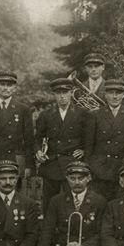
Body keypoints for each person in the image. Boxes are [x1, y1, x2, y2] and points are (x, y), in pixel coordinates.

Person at [34, 77, 90, 205]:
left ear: (71, 92)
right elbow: (37, 138)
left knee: (72, 203)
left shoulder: (83, 113)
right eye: (58, 93)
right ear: (54, 94)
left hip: (73, 164)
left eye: (65, 92)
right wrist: (38, 151)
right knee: (49, 203)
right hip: (51, 164)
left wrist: (83, 150)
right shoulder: (46, 115)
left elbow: (89, 138)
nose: (62, 96)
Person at [87, 79, 124, 200]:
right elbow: (89, 144)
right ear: (105, 95)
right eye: (111, 93)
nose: (115, 96)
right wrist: (89, 167)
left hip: (121, 168)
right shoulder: (94, 115)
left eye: (118, 93)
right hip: (99, 169)